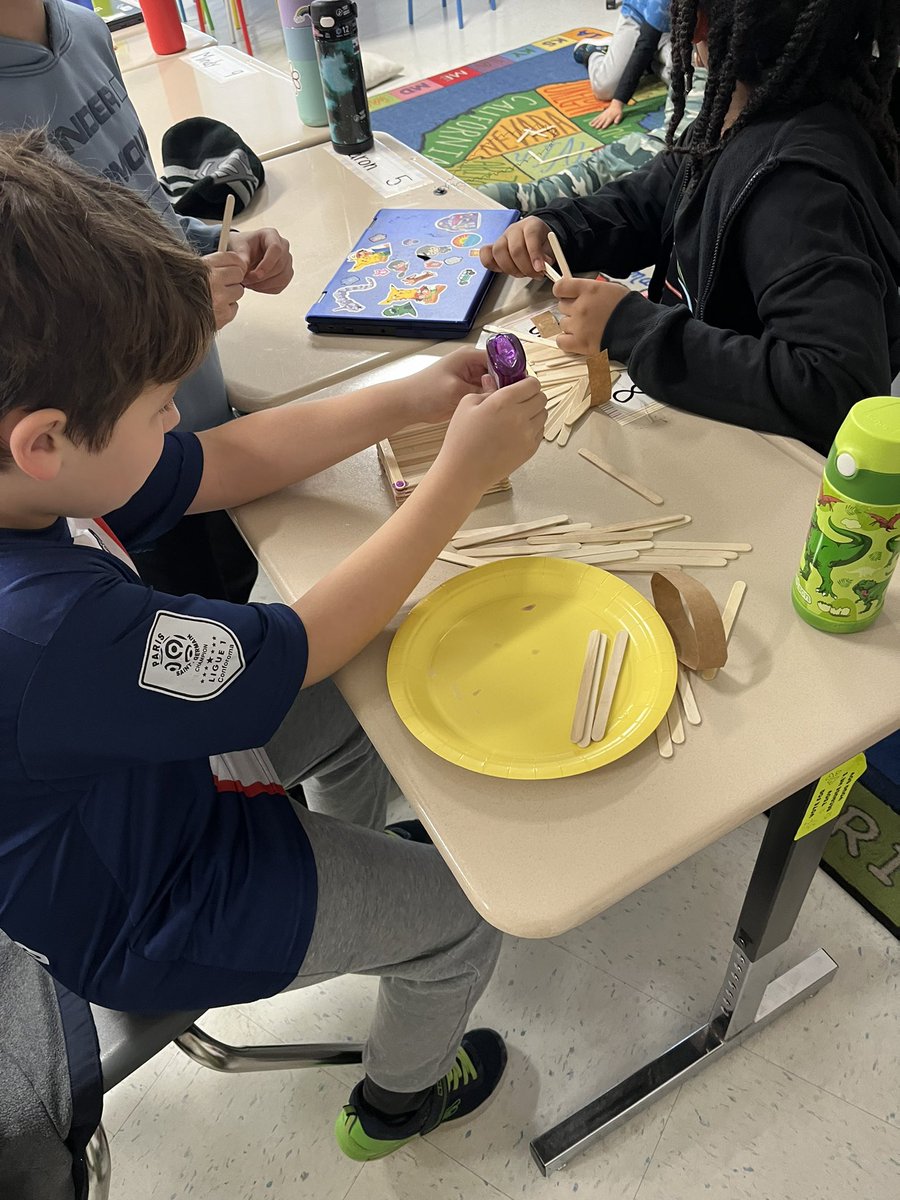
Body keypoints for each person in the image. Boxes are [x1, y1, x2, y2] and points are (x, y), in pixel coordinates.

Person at [0, 132, 547, 1161]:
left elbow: (215, 463)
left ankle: (356, 865)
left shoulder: (39, 473)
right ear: (46, 438)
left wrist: (420, 395)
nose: (175, 420)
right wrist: (455, 481)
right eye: (160, 406)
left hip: (134, 788)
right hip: (152, 899)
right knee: (467, 919)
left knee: (362, 683)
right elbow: (286, 656)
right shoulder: (44, 628)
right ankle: (396, 1105)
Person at [481, 0, 900, 456]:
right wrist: (563, 227)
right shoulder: (750, 108)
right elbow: (657, 194)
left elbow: (835, 388)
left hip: (769, 465)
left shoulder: (796, 188)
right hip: (718, 415)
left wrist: (630, 327)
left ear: (697, 22)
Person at [0, 0, 293, 602]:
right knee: (179, 597)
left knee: (234, 566)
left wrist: (214, 243)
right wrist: (170, 311)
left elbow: (130, 206)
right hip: (105, 451)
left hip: (182, 404)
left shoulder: (82, 29)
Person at [573, 1, 672, 129]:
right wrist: (618, 102)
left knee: (688, 78)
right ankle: (594, 52)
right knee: (605, 88)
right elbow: (646, 44)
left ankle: (649, 62)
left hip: (675, 29)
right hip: (640, 20)